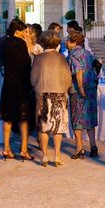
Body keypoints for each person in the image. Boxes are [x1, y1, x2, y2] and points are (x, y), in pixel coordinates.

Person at [30, 30, 72, 167]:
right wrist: (65, 89)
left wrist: (38, 89)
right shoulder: (61, 58)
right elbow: (67, 77)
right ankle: (57, 155)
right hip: (59, 94)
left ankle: (44, 156)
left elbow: (33, 78)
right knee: (58, 128)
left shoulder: (39, 58)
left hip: (43, 94)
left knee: (43, 127)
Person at [0, 18, 35, 161]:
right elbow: (26, 64)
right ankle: (24, 149)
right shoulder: (20, 43)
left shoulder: (3, 42)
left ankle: (6, 148)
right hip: (21, 84)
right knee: (23, 118)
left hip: (8, 83)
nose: (24, 33)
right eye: (23, 31)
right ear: (17, 30)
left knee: (7, 117)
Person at [66, 30, 99, 159]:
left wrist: (80, 88)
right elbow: (97, 68)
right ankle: (93, 146)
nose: (66, 43)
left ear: (73, 42)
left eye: (68, 41)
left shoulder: (73, 54)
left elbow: (78, 71)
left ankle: (79, 148)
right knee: (90, 118)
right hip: (91, 88)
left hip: (79, 91)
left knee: (77, 119)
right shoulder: (88, 53)